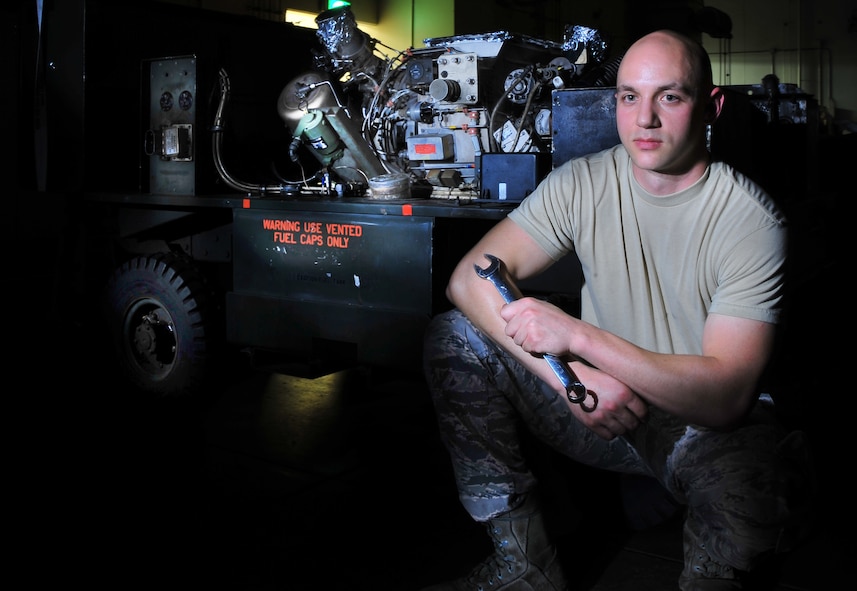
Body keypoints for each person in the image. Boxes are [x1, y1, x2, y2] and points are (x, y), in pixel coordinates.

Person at [421, 29, 814, 591]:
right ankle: (524, 568)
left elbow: (726, 398)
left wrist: (579, 340)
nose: (645, 119)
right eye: (630, 96)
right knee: (455, 337)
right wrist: (571, 382)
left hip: (695, 425)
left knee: (760, 481)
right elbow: (469, 279)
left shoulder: (751, 222)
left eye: (670, 97)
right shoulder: (584, 182)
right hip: (598, 406)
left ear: (712, 105)